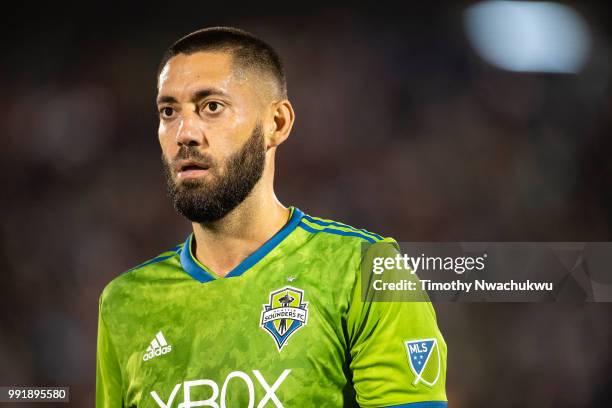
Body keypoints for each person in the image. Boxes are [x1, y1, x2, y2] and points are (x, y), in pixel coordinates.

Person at [96, 26, 448, 408]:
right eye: (169, 111)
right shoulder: (125, 302)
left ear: (276, 124)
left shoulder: (365, 270)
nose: (185, 133)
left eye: (211, 106)